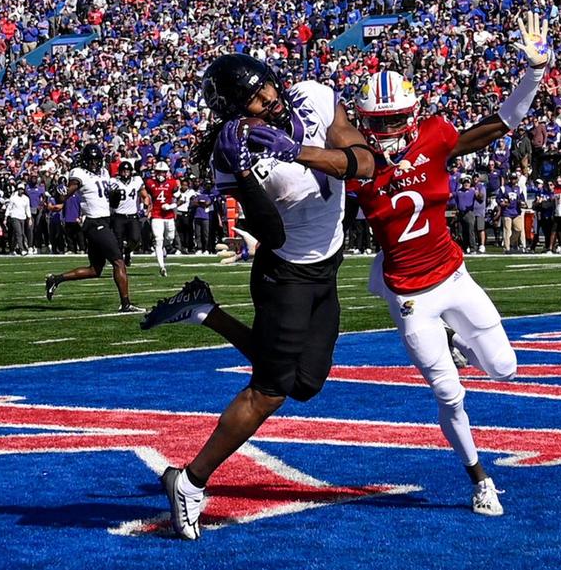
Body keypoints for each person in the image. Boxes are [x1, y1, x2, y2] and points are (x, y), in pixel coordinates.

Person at [140, 52, 375, 540]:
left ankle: (206, 311)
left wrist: (296, 151)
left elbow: (365, 163)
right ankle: (190, 480)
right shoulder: (233, 155)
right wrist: (245, 174)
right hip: (284, 274)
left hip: (327, 263)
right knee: (268, 389)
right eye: (252, 98)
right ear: (233, 111)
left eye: (265, 86)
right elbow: (269, 231)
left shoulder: (312, 98)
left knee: (305, 383)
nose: (267, 99)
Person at [342, 12, 546, 516]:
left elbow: (501, 123)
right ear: (364, 122)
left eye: (394, 120)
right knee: (449, 395)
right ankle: (480, 479)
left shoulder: (434, 137)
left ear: (411, 116)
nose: (386, 129)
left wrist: (536, 71)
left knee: (505, 369)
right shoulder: (355, 166)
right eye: (378, 121)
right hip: (409, 295)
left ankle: (459, 342)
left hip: (454, 276)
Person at [45, 144, 142, 313]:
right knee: (118, 261)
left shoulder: (104, 172)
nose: (95, 164)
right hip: (94, 222)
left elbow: (110, 201)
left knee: (95, 270)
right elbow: (64, 195)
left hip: (104, 220)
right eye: (91, 161)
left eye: (97, 160)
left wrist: (114, 197)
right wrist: (59, 191)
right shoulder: (78, 174)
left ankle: (55, 279)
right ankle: (125, 304)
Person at [143, 161, 179, 276]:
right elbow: (144, 195)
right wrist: (146, 207)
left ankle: (163, 249)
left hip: (168, 215)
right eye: (159, 172)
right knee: (158, 239)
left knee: (170, 238)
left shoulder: (172, 183)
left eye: (163, 172)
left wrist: (171, 206)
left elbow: (181, 198)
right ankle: (162, 267)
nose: (161, 175)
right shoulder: (150, 183)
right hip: (156, 214)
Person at [110, 162, 143, 266]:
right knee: (118, 242)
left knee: (135, 239)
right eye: (123, 171)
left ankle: (128, 251)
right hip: (118, 215)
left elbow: (144, 194)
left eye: (127, 171)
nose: (125, 173)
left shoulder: (136, 181)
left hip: (132, 215)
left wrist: (145, 206)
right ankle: (120, 265)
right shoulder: (113, 181)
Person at [4, 184, 31, 255]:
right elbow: (9, 208)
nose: (20, 190)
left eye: (22, 189)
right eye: (19, 189)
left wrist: (29, 218)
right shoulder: (13, 198)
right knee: (19, 233)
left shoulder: (26, 198)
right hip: (14, 217)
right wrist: (6, 217)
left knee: (20, 234)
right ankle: (22, 249)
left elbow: (27, 209)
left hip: (23, 217)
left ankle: (12, 249)